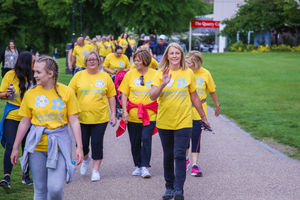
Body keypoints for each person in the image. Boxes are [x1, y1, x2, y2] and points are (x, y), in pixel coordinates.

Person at [10, 56, 84, 200]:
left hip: (59, 146)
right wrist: (15, 146)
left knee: (55, 189)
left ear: (50, 74)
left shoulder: (66, 92)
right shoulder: (30, 94)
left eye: (38, 72)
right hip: (36, 147)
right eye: (34, 72)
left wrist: (79, 146)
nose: (34, 75)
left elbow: (74, 121)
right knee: (40, 190)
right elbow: (25, 122)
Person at [150, 43, 211, 200]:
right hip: (165, 121)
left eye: (178, 53)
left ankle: (179, 190)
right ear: (167, 56)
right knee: (168, 155)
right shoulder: (160, 73)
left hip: (184, 121)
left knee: (179, 154)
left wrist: (203, 116)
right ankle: (169, 187)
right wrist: (163, 83)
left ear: (182, 56)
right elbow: (152, 96)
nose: (175, 56)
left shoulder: (188, 73)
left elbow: (194, 96)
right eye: (172, 53)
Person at [68, 51, 117, 182]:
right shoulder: (78, 76)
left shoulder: (105, 77)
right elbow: (69, 94)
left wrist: (113, 114)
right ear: (85, 62)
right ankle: (85, 159)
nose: (92, 61)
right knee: (82, 144)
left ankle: (95, 170)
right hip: (81, 118)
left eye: (94, 59)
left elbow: (111, 96)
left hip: (100, 118)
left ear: (98, 61)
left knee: (97, 143)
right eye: (89, 59)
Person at [118, 50, 158, 178]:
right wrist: (124, 111)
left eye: (138, 60)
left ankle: (145, 166)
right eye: (135, 60)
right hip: (133, 114)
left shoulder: (155, 74)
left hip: (150, 114)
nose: (136, 62)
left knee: (146, 139)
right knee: (135, 141)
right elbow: (124, 94)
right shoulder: (129, 75)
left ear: (146, 61)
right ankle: (137, 165)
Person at [0, 52, 35, 190]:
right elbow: (0, 93)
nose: (35, 64)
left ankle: (26, 176)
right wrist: (6, 94)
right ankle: (6, 178)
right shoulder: (10, 75)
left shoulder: (34, 76)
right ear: (26, 63)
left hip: (29, 117)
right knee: (10, 145)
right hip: (13, 115)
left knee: (28, 147)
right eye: (32, 62)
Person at [185, 51, 220, 176]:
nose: (188, 65)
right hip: (184, 110)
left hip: (199, 111)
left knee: (196, 137)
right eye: (187, 62)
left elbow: (212, 91)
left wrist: (217, 105)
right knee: (185, 139)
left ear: (197, 63)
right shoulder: (183, 72)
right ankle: (185, 160)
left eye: (191, 63)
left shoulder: (205, 73)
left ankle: (195, 165)